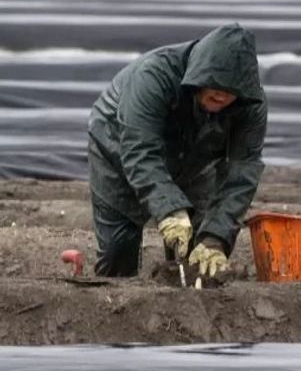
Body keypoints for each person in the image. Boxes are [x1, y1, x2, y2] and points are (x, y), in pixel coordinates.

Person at [87, 23, 267, 277]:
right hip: (118, 145)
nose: (223, 95)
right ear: (199, 74)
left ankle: (179, 300)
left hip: (194, 157)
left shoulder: (251, 102)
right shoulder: (154, 76)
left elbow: (242, 170)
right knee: (118, 250)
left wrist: (216, 238)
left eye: (232, 90)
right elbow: (139, 149)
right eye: (215, 83)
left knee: (199, 253)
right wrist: (170, 210)